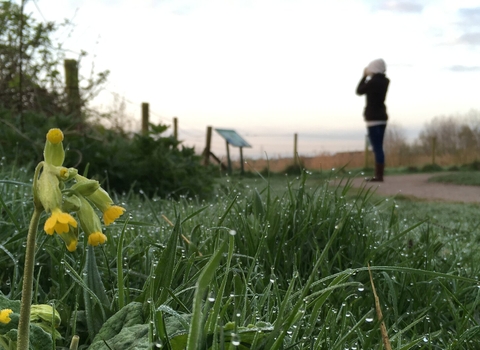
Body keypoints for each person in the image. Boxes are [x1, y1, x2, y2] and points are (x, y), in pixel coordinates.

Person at [356, 58, 390, 182]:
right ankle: (379, 174)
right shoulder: (385, 81)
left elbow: (359, 90)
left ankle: (379, 176)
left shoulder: (373, 82)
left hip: (373, 118)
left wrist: (364, 76)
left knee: (377, 147)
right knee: (379, 146)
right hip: (382, 117)